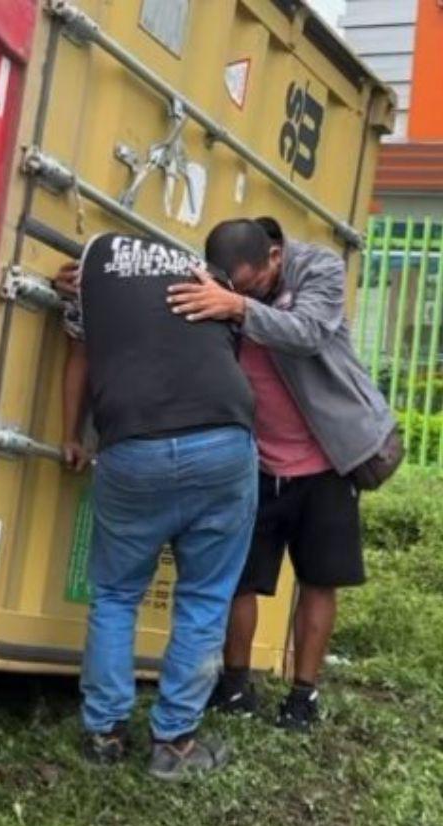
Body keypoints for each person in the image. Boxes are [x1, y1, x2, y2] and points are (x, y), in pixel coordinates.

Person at [167, 217, 397, 730]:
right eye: (232, 287)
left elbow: (310, 333)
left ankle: (303, 697)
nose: (240, 295)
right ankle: (234, 686)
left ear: (275, 257)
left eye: (252, 286)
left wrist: (239, 307)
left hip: (327, 462)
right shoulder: (218, 285)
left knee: (319, 580)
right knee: (240, 580)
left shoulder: (318, 268)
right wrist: (83, 284)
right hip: (255, 463)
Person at [58, 233, 258, 780]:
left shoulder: (89, 276)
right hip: (221, 442)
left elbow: (78, 357)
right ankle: (174, 744)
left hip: (133, 448)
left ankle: (104, 734)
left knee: (117, 594)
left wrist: (70, 435)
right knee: (203, 598)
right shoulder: (205, 273)